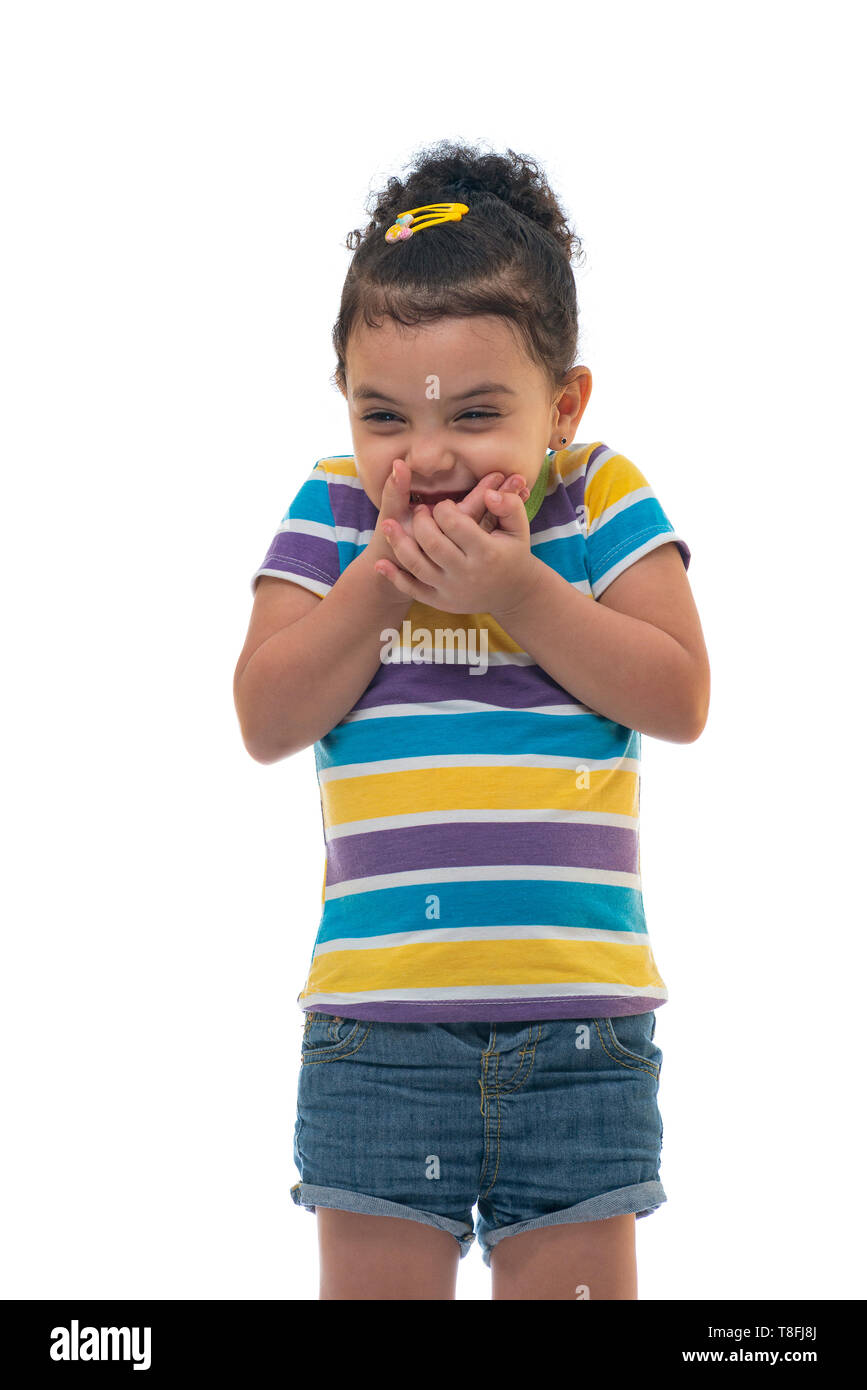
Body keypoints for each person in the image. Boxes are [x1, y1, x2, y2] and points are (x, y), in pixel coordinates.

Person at [233, 139, 710, 1300]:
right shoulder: (337, 514)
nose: (428, 457)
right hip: (380, 1042)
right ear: (344, 399)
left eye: (477, 414)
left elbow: (680, 694)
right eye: (384, 415)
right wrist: (376, 588)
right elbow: (265, 712)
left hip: (581, 1035)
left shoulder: (598, 499)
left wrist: (522, 592)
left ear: (565, 405)